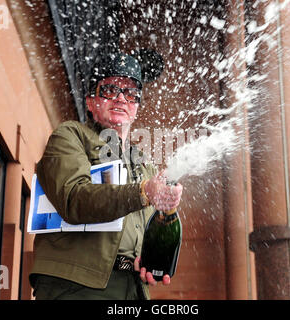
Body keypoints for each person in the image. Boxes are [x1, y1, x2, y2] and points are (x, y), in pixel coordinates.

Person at [29, 52, 183, 300]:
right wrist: (144, 192)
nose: (122, 99)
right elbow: (74, 199)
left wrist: (150, 257)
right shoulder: (71, 136)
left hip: (133, 289)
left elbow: (146, 232)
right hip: (76, 286)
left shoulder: (145, 166)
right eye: (110, 90)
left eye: (131, 94)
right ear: (91, 102)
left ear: (136, 108)